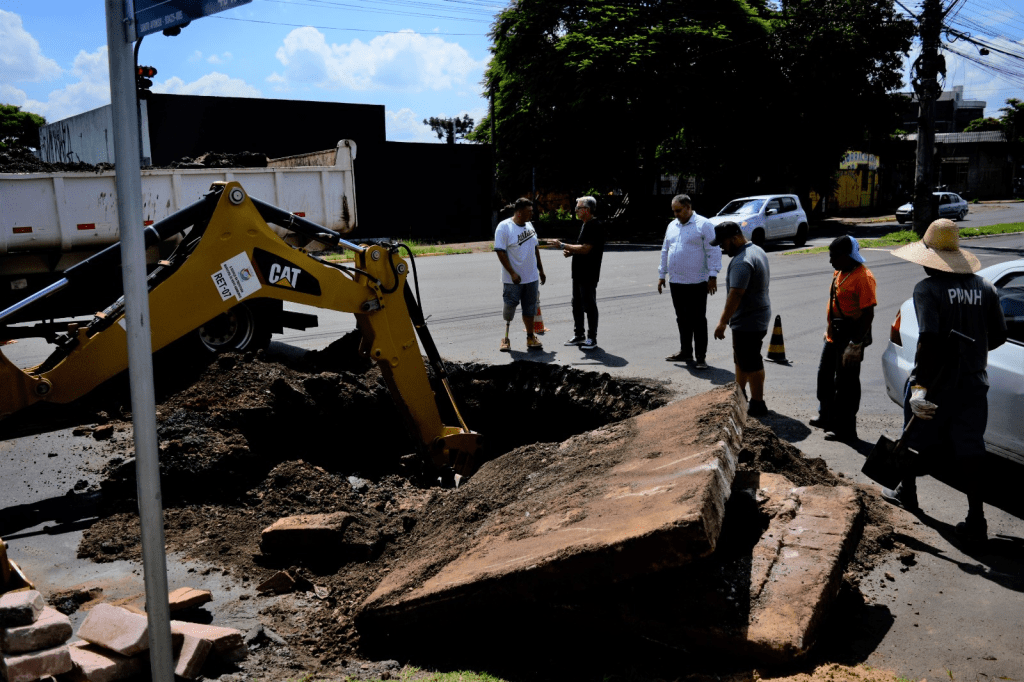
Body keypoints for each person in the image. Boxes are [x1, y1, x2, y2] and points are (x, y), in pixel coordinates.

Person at [879, 219, 1007, 542]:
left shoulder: (927, 289)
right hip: (974, 384)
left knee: (915, 439)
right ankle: (977, 520)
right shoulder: (986, 288)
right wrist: (973, 351)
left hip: (935, 383)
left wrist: (920, 387)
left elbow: (928, 341)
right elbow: (1001, 335)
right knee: (971, 450)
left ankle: (908, 493)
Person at [810, 235, 877, 442]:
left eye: (834, 257)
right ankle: (827, 416)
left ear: (848, 256)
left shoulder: (863, 277)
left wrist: (855, 344)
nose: (831, 261)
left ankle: (845, 428)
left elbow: (868, 314)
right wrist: (829, 328)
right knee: (825, 376)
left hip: (851, 336)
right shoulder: (840, 271)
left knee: (846, 384)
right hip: (833, 334)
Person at [711, 221, 771, 416]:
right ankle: (741, 395)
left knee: (751, 362)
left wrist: (722, 322)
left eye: (723, 242)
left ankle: (758, 404)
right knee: (743, 359)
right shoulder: (756, 250)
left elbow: (736, 295)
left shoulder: (741, 262)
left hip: (749, 320)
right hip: (757, 315)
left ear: (735, 238)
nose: (721, 247)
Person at [657, 194, 721, 369]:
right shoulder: (672, 225)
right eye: (673, 211)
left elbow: (713, 250)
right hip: (676, 281)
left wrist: (713, 275)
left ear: (688, 207)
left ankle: (701, 356)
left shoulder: (704, 225)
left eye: (678, 210)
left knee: (698, 319)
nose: (676, 214)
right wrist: (662, 274)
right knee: (682, 318)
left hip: (697, 281)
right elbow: (665, 250)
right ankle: (686, 351)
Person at [552, 196, 605, 350]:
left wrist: (563, 245)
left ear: (586, 210)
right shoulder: (585, 224)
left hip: (589, 273)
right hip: (578, 273)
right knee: (576, 304)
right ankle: (579, 334)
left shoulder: (595, 226)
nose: (575, 210)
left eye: (578, 208)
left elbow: (586, 248)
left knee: (589, 304)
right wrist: (572, 251)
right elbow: (581, 248)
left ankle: (592, 337)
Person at [494, 198, 546, 352]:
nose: (532, 213)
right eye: (529, 211)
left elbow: (535, 248)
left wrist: (541, 270)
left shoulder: (530, 225)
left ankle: (530, 336)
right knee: (509, 309)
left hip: (531, 277)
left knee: (530, 308)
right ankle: (506, 338)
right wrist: (512, 273)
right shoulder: (504, 227)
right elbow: (500, 251)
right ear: (519, 212)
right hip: (513, 279)